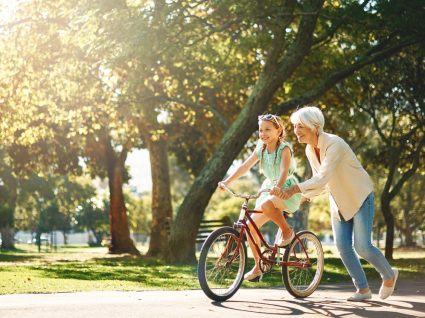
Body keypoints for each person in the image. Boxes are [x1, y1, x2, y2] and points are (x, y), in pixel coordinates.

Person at [279, 106, 398, 301]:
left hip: (359, 196)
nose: (296, 131)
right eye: (294, 126)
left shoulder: (335, 144)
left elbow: (322, 178)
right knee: (342, 246)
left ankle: (389, 275)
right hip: (339, 201)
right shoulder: (310, 149)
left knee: (363, 247)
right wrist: (300, 199)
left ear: (315, 126)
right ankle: (363, 290)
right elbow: (320, 183)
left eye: (300, 126)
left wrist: (293, 189)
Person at [218, 114, 301, 282]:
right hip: (269, 187)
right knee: (250, 227)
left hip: (286, 188)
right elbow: (245, 166)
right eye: (260, 130)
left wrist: (278, 186)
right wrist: (227, 181)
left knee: (267, 205)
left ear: (279, 131)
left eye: (268, 129)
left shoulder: (284, 148)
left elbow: (284, 170)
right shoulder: (261, 147)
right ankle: (258, 266)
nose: (263, 133)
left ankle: (287, 231)